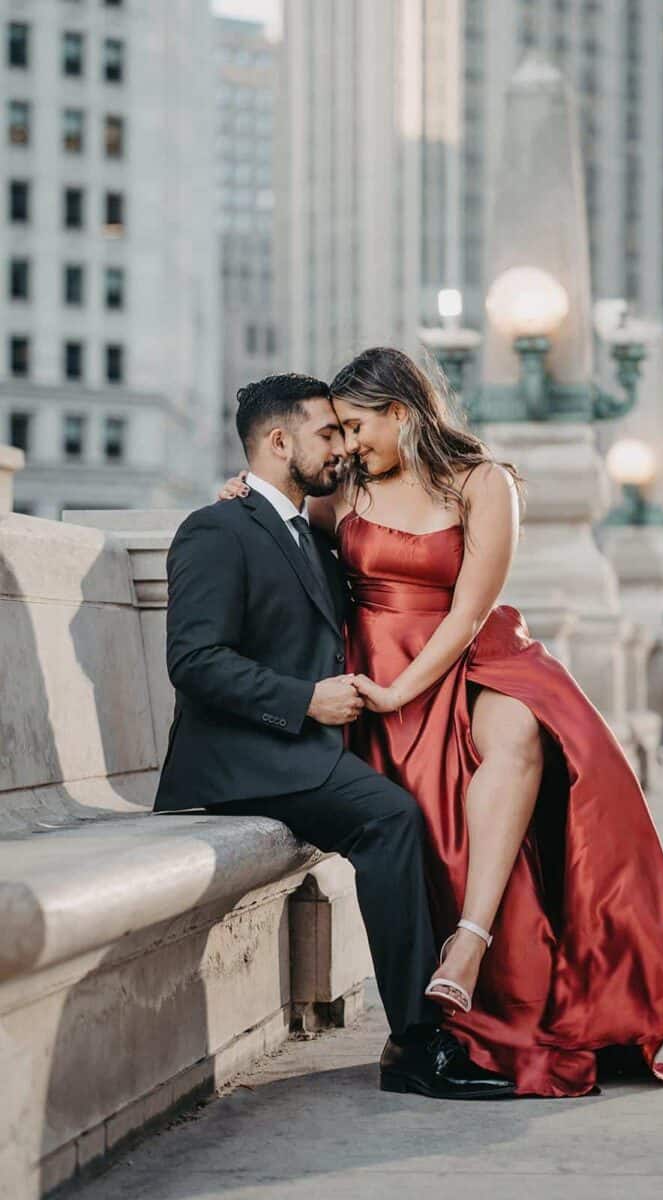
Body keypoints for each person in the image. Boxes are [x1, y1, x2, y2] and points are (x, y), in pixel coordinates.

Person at [220, 349, 663, 1099]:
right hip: (377, 661)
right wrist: (241, 491)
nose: (349, 442)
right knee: (437, 819)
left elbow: (468, 613)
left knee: (520, 733)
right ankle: (465, 998)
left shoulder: (485, 482)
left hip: (469, 656)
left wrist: (401, 693)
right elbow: (282, 523)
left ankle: (472, 941)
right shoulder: (348, 491)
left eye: (356, 425)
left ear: (402, 411)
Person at [154, 372, 514, 1101]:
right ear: (280, 440)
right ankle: (417, 1043)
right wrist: (304, 702)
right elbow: (192, 662)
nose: (344, 447)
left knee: (447, 801)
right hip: (243, 761)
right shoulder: (216, 528)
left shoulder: (310, 529)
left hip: (305, 748)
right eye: (329, 433)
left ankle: (493, 1011)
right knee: (391, 818)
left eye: (349, 431)